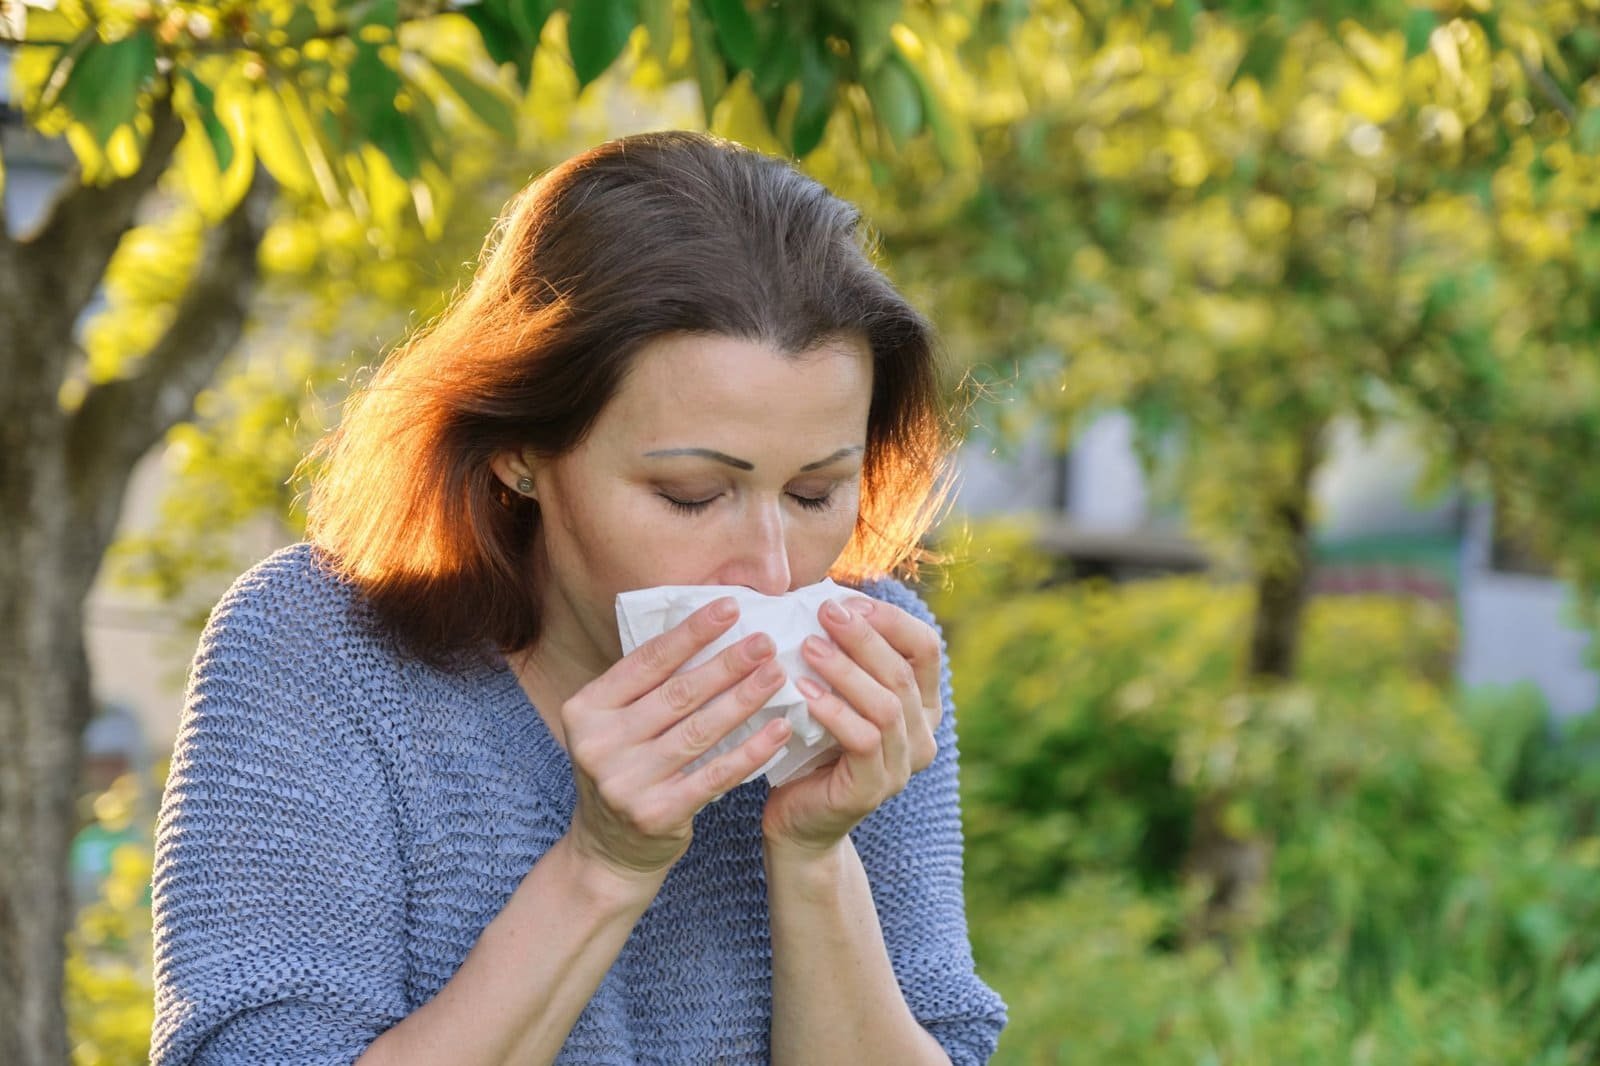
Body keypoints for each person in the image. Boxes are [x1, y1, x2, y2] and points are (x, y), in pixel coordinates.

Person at [151, 130, 1007, 1065]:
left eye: (814, 494)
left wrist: (814, 855)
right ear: (520, 450)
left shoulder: (877, 657)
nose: (770, 571)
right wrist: (602, 865)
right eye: (690, 495)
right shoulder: (320, 649)